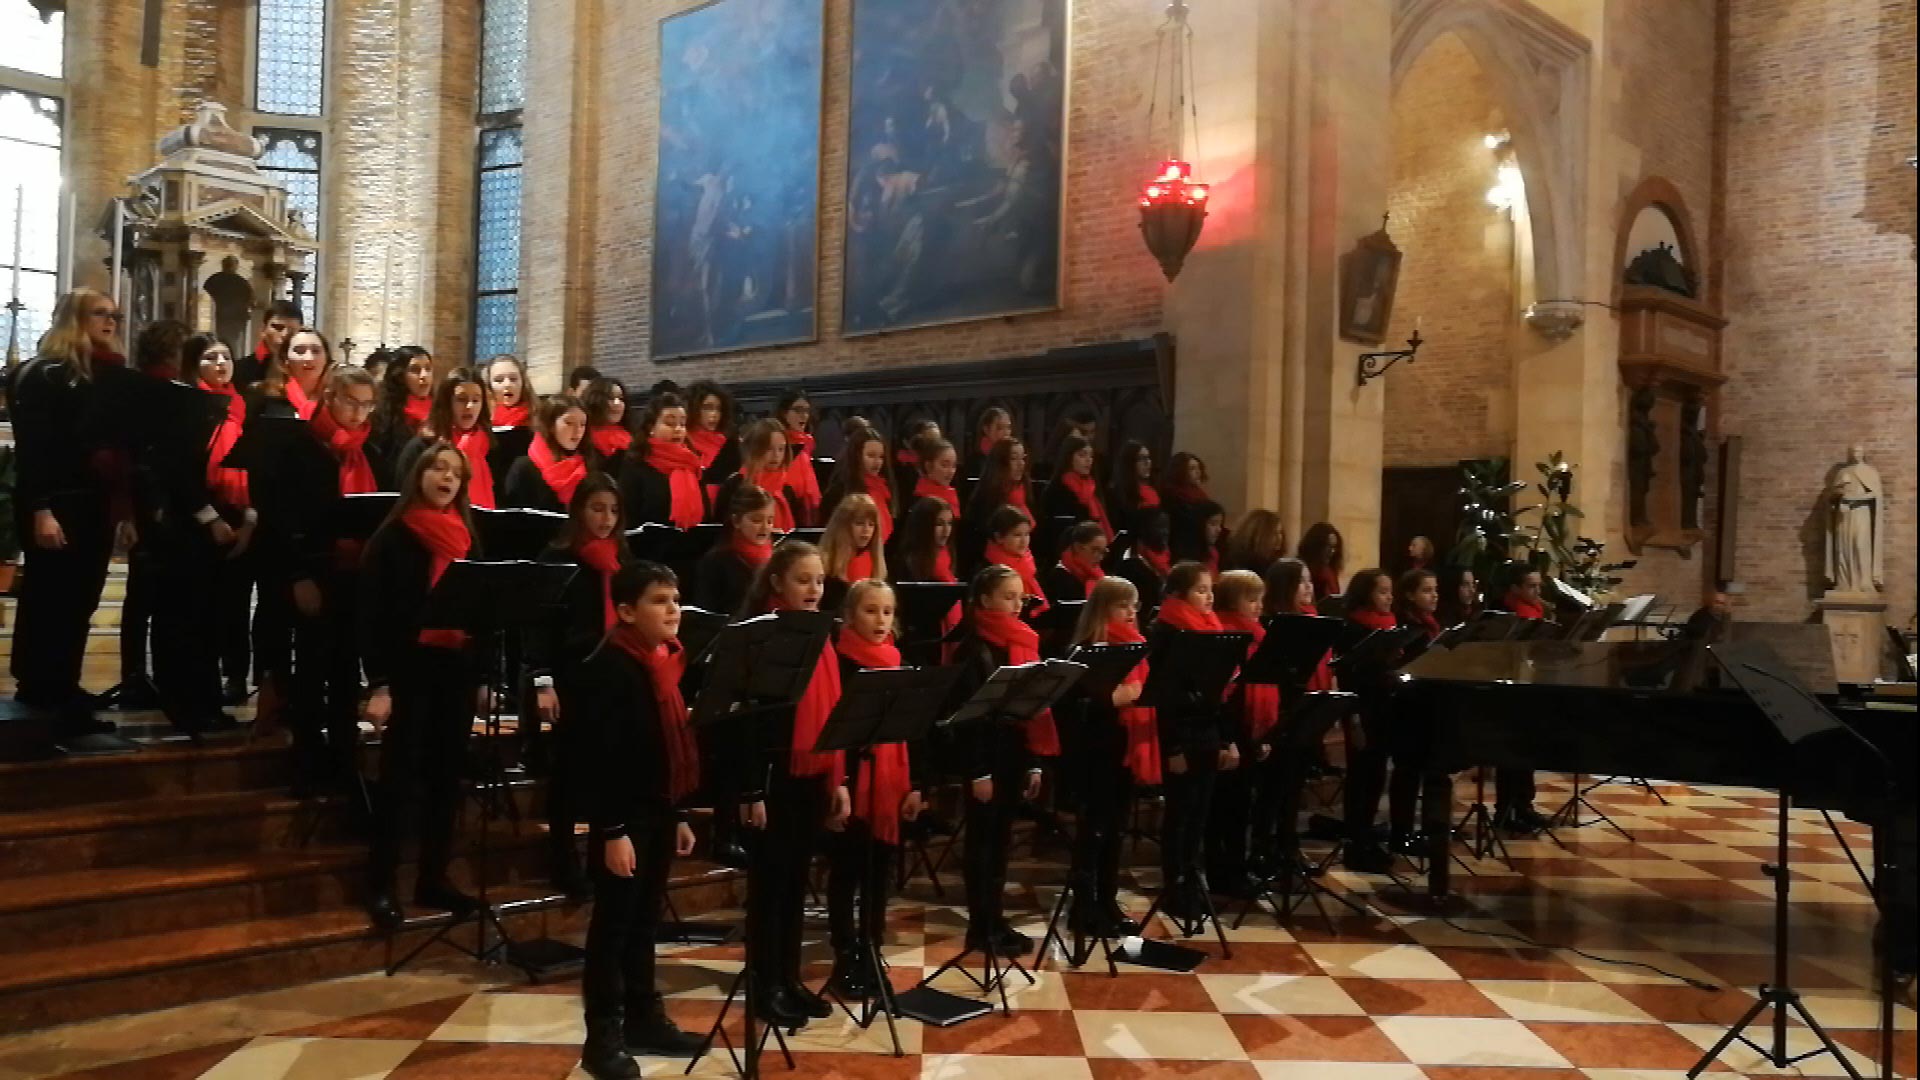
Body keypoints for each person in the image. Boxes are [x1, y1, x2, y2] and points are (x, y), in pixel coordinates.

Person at [575, 562, 706, 1078]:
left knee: (645, 923)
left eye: (675, 598)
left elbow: (671, 750)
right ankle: (601, 1039)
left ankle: (644, 1019)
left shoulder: (665, 662)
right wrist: (612, 831)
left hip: (656, 810)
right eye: (659, 600)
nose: (673, 608)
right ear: (626, 611)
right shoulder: (609, 667)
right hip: (623, 820)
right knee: (613, 930)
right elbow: (600, 759)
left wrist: (678, 814)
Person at [360, 442, 487, 928]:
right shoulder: (393, 538)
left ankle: (433, 878)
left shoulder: (468, 539)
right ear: (417, 474)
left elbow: (479, 611)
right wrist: (381, 683)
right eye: (437, 467)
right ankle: (381, 884)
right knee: (398, 781)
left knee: (445, 780)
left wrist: (479, 678)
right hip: (409, 670)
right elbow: (371, 620)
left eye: (455, 472)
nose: (446, 477)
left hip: (453, 670)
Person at [732, 543, 852, 1026]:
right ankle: (765, 985)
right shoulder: (762, 636)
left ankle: (789, 978)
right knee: (770, 886)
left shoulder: (820, 634)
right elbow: (745, 725)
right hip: (773, 777)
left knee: (796, 882)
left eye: (819, 580)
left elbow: (833, 710)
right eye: (803, 579)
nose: (814, 589)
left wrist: (838, 778)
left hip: (812, 775)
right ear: (777, 582)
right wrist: (750, 791)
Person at [527, 473, 631, 900]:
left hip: (612, 677)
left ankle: (600, 859)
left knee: (609, 771)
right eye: (596, 509)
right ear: (578, 511)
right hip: (571, 678)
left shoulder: (622, 558)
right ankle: (563, 859)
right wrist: (542, 682)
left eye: (612, 511)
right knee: (569, 774)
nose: (605, 519)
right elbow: (539, 631)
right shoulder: (557, 558)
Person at [945, 564, 1054, 956]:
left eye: (1020, 598)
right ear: (986, 600)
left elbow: (1032, 712)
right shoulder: (973, 649)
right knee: (982, 843)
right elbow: (966, 721)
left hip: (1012, 755)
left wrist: (1034, 763)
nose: (1017, 605)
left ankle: (997, 919)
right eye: (1009, 597)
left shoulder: (1022, 641)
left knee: (1001, 842)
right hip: (985, 760)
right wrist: (978, 772)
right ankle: (981, 925)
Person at [824, 580, 922, 998]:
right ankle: (846, 952)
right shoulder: (839, 663)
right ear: (850, 616)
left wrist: (914, 785)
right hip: (852, 784)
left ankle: (872, 945)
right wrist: (840, 784)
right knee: (847, 872)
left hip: (890, 783)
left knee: (880, 870)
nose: (881, 620)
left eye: (887, 611)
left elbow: (911, 733)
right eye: (870, 611)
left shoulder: (897, 660)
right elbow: (833, 733)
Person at [1063, 576, 1153, 938]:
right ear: (1103, 610)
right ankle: (1084, 905)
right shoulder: (1086, 650)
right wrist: (1117, 697)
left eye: (1134, 606)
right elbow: (1078, 706)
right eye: (1122, 606)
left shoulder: (1137, 647)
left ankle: (1108, 899)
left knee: (1116, 827)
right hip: (1095, 750)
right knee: (1094, 830)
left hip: (1124, 747)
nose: (1131, 613)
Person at [1148, 562, 1236, 918]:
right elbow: (1162, 697)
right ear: (1178, 594)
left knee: (1199, 814)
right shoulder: (1165, 631)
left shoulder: (1213, 630)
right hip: (1180, 735)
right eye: (1200, 590)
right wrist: (1172, 748)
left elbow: (1219, 694)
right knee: (1179, 816)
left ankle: (1192, 885)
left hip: (1206, 732)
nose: (1209, 597)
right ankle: (1175, 889)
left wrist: (1224, 740)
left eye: (1210, 589)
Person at [188, 332, 261, 705]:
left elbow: (254, 468)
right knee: (204, 609)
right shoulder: (190, 408)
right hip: (201, 517)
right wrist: (210, 519)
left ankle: (235, 676)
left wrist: (249, 521)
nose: (221, 364)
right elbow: (182, 471)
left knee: (235, 608)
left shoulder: (241, 408)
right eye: (211, 358)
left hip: (240, 515)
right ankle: (202, 684)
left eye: (226, 358)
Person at [1337, 568, 1411, 873]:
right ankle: (1355, 841)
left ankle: (1366, 835)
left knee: (1377, 773)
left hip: (1384, 708)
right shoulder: (1352, 629)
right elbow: (1346, 677)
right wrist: (1352, 720)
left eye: (1390, 591)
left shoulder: (1390, 627)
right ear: (1366, 594)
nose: (1389, 597)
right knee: (1360, 776)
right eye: (1382, 591)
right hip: (1360, 708)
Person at [1208, 569, 1277, 894]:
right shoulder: (1223, 635)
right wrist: (1228, 740)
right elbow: (1220, 695)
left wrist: (1262, 735)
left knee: (1242, 804)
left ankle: (1239, 866)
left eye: (1260, 599)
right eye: (1251, 599)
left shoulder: (1257, 635)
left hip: (1250, 731)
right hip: (1229, 729)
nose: (1258, 606)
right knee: (1224, 806)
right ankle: (1222, 872)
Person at [1491, 561, 1549, 834]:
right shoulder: (1502, 615)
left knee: (1528, 748)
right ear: (1515, 588)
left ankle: (1525, 805)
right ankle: (1505, 810)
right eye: (1531, 586)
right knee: (1509, 751)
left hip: (1531, 684)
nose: (1537, 591)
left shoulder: (1538, 611)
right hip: (1507, 687)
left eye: (1539, 585)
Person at [398, 368, 496, 508]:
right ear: (446, 403)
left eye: (476, 400)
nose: (470, 406)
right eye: (461, 399)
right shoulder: (422, 447)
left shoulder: (487, 445)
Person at [619, 391, 708, 530]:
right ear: (651, 427)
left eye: (682, 424)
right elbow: (628, 518)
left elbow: (706, 518)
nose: (678, 429)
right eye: (670, 423)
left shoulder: (692, 464)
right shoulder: (636, 465)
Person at [692, 484, 775, 615]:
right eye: (756, 520)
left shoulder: (775, 558)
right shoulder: (715, 562)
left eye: (770, 521)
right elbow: (706, 614)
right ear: (736, 521)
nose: (765, 528)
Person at [503, 395, 591, 514]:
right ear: (550, 425)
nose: (578, 431)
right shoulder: (523, 468)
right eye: (569, 423)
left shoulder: (587, 465)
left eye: (582, 424)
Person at [366, 345, 435, 489]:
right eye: (415, 370)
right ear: (400, 376)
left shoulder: (439, 412)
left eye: (428, 369)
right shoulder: (383, 415)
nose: (424, 376)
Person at [820, 425, 893, 540]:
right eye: (871, 455)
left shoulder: (883, 490)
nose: (877, 462)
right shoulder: (839, 491)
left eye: (881, 457)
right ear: (856, 456)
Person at [817, 493, 887, 612]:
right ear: (842, 526)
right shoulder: (823, 566)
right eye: (859, 523)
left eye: (871, 525)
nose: (866, 530)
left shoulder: (874, 565)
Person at [1042, 433, 1112, 540]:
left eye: (1091, 456)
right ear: (1069, 457)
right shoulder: (1057, 490)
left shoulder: (1093, 487)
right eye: (1082, 455)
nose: (1088, 460)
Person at [981, 505, 1047, 617]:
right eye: (1017, 535)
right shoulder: (989, 571)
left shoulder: (1029, 564)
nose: (1024, 541)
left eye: (1027, 534)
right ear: (999, 537)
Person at [1158, 452, 1217, 563]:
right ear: (1180, 471)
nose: (1198, 472)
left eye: (1198, 468)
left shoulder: (1200, 494)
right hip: (1182, 546)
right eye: (1192, 468)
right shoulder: (1172, 495)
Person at [775, 390, 822, 525]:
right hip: (785, 501)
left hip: (805, 507)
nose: (804, 416)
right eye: (798, 410)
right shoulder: (778, 441)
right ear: (784, 413)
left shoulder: (807, 443)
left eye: (807, 411)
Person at [236, 298, 302, 390]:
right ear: (263, 329)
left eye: (292, 330)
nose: (285, 335)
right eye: (278, 327)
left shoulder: (306, 369)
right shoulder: (238, 370)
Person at [966, 436, 1032, 525]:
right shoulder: (986, 497)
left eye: (1022, 458)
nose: (1021, 464)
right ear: (1000, 463)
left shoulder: (1025, 488)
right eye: (1013, 458)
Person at [1041, 520, 1109, 606]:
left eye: (1103, 552)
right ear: (1078, 547)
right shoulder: (1058, 577)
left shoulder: (1097, 575)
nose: (1100, 557)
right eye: (1095, 550)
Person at [683, 380, 740, 478]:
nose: (714, 414)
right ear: (693, 408)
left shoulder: (726, 442)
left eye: (718, 409)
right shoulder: (683, 441)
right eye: (707, 408)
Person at [909, 434, 962, 527]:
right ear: (928, 466)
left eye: (954, 466)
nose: (951, 471)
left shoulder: (951, 494)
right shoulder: (921, 501)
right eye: (944, 465)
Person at [1108, 440, 1160, 534]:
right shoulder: (1116, 493)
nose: (1147, 462)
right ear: (1129, 462)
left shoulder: (1153, 491)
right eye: (1141, 458)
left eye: (1148, 458)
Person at [582, 377, 633, 464]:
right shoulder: (581, 437)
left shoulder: (630, 435)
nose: (618, 403)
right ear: (595, 400)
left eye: (621, 398)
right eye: (611, 398)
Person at [1222, 509, 1286, 577]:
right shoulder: (1242, 570)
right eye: (1274, 533)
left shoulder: (1277, 566)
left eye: (1280, 532)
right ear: (1259, 536)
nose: (1279, 538)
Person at [1297, 522, 1345, 609]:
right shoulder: (1299, 568)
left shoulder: (1330, 573)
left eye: (1334, 547)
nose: (1332, 551)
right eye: (1328, 546)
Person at [892, 418, 941, 495]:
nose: (935, 446)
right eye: (929, 441)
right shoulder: (900, 470)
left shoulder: (943, 467)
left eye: (938, 441)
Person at [485, 354, 533, 430]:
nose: (507, 384)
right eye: (499, 380)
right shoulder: (478, 421)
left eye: (513, 379)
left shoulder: (540, 419)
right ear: (489, 386)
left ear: (523, 382)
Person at [967, 407, 1014, 480]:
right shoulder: (976, 462)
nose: (1006, 433)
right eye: (1000, 428)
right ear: (986, 429)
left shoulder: (1012, 457)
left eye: (1008, 427)